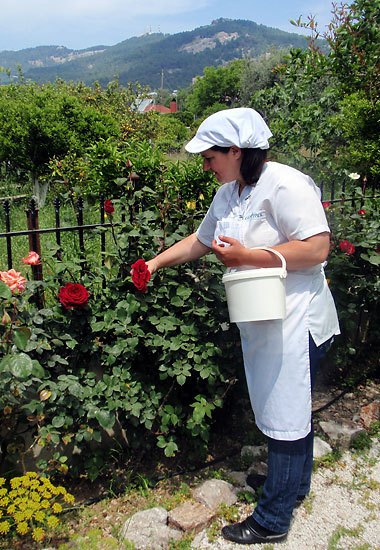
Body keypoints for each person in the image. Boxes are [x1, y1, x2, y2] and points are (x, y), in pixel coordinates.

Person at [142, 108, 340, 544]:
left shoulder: (286, 184)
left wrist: (247, 257)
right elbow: (201, 240)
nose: (206, 164)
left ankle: (272, 518)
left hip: (296, 317)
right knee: (285, 406)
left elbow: (318, 247)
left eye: (210, 156)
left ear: (236, 150)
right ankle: (293, 487)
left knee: (286, 412)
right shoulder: (231, 192)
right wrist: (155, 263)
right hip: (263, 318)